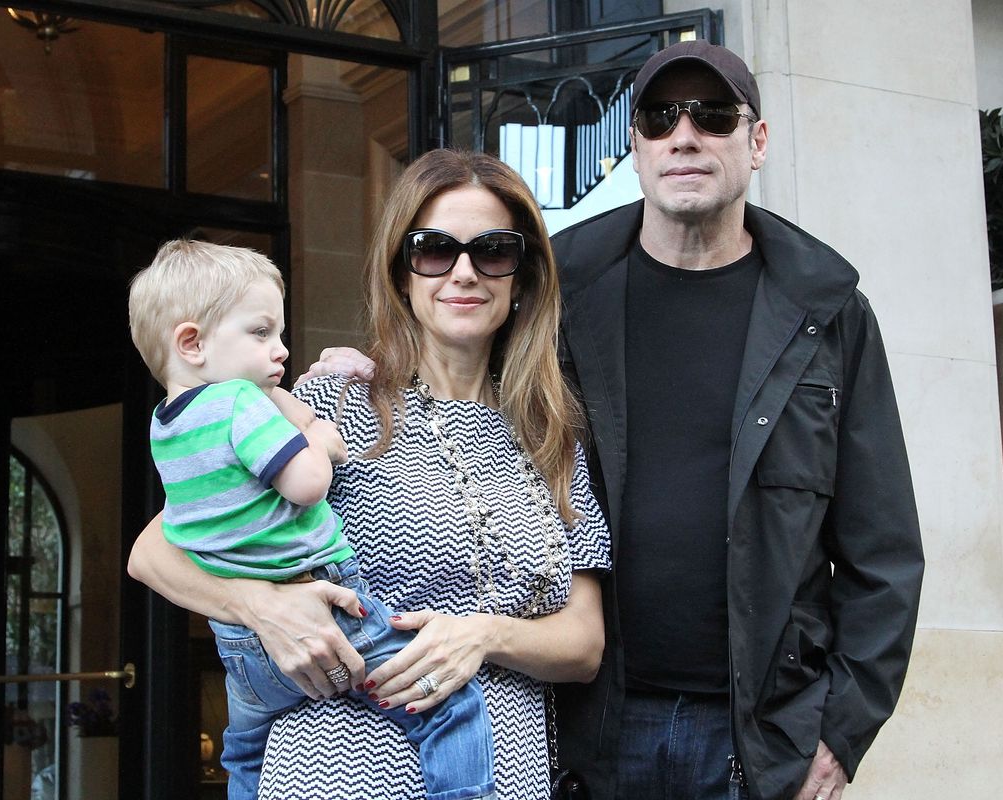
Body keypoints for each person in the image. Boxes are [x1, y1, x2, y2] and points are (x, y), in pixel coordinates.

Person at [306, 40, 925, 800]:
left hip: (759, 733)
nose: (685, 136)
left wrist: (840, 734)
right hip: (588, 731)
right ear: (635, 146)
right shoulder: (563, 296)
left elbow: (884, 553)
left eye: (714, 116)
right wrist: (362, 370)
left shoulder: (825, 314)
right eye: (661, 118)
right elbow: (450, 352)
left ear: (756, 141)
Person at [127, 149, 611, 800]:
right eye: (435, 250)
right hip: (341, 769)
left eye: (493, 251)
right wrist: (264, 609)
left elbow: (583, 644)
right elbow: (156, 551)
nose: (464, 272)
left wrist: (481, 637)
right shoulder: (332, 403)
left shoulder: (554, 434)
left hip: (512, 773)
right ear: (402, 272)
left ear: (521, 275)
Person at [126, 240, 499, 800]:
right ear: (193, 342)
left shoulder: (166, 425)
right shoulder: (238, 404)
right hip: (325, 611)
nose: (280, 350)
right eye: (260, 333)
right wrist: (319, 438)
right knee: (451, 707)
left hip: (240, 649)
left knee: (244, 748)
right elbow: (308, 482)